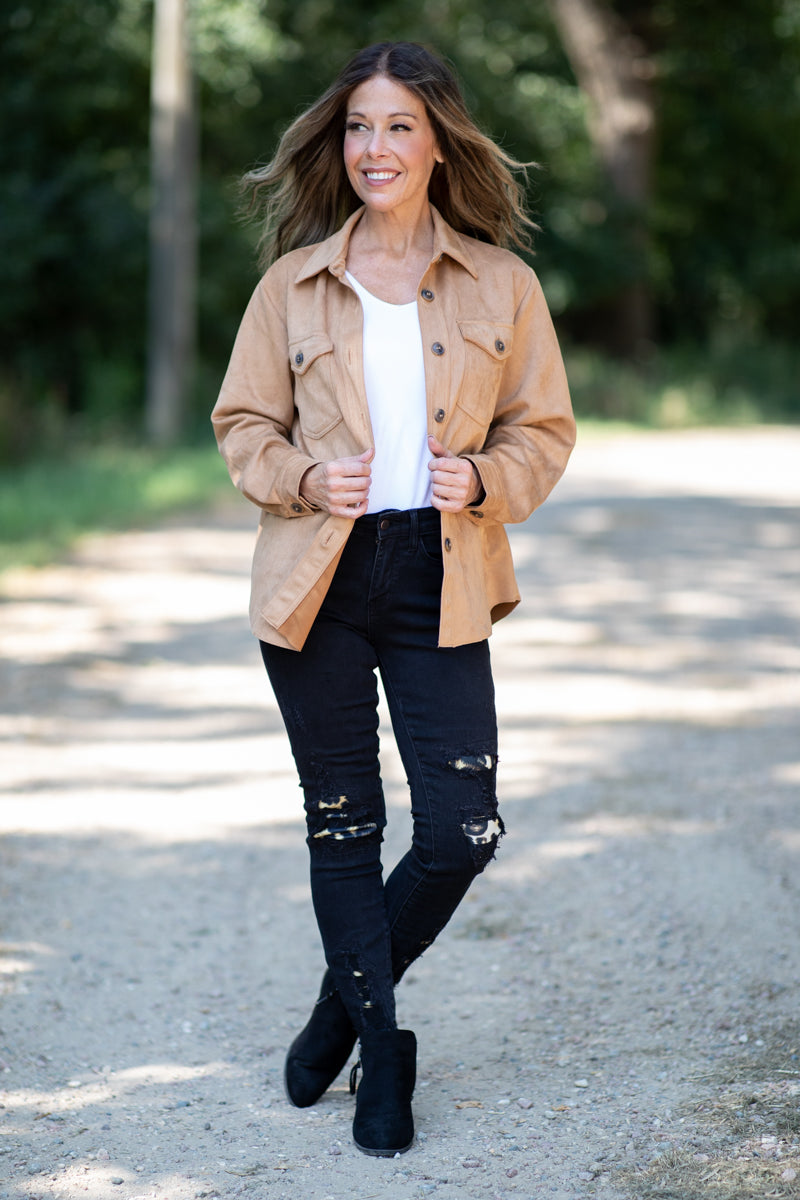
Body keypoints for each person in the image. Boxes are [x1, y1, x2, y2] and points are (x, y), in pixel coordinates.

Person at [212, 41, 575, 1157]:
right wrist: (301, 476)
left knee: (462, 829)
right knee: (344, 823)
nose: (375, 147)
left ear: (438, 144)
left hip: (439, 571)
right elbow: (242, 425)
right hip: (318, 574)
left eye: (398, 126)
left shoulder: (501, 284)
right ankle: (382, 1048)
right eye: (359, 127)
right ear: (340, 145)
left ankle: (336, 1013)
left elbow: (543, 429)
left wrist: (488, 479)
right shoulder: (291, 285)